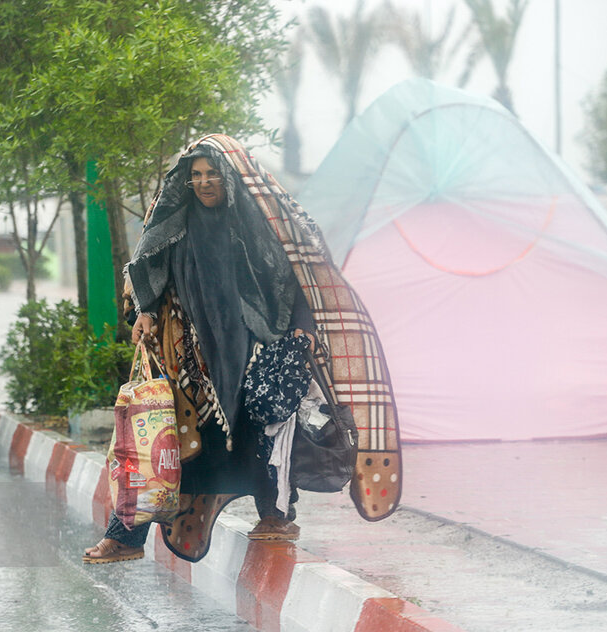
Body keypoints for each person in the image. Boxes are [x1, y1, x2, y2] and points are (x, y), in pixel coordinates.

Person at [84, 134, 402, 565]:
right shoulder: (177, 223)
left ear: (230, 177)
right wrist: (145, 311)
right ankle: (125, 537)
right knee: (168, 440)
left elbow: (302, 277)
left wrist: (303, 331)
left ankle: (276, 514)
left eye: (212, 173)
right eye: (196, 175)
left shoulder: (264, 226)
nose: (204, 182)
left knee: (266, 433)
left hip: (259, 348)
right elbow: (149, 272)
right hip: (197, 357)